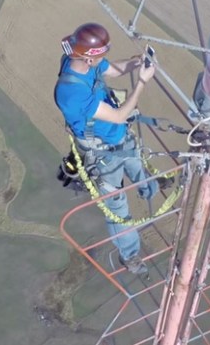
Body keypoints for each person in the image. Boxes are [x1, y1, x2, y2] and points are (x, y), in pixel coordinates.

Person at [54, 22, 158, 275]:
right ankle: (130, 255)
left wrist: (136, 63)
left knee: (139, 170)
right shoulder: (71, 92)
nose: (103, 58)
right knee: (119, 212)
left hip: (120, 140)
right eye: (100, 53)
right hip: (102, 156)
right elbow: (120, 115)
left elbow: (111, 70)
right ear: (89, 58)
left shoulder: (81, 62)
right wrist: (142, 82)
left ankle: (150, 191)